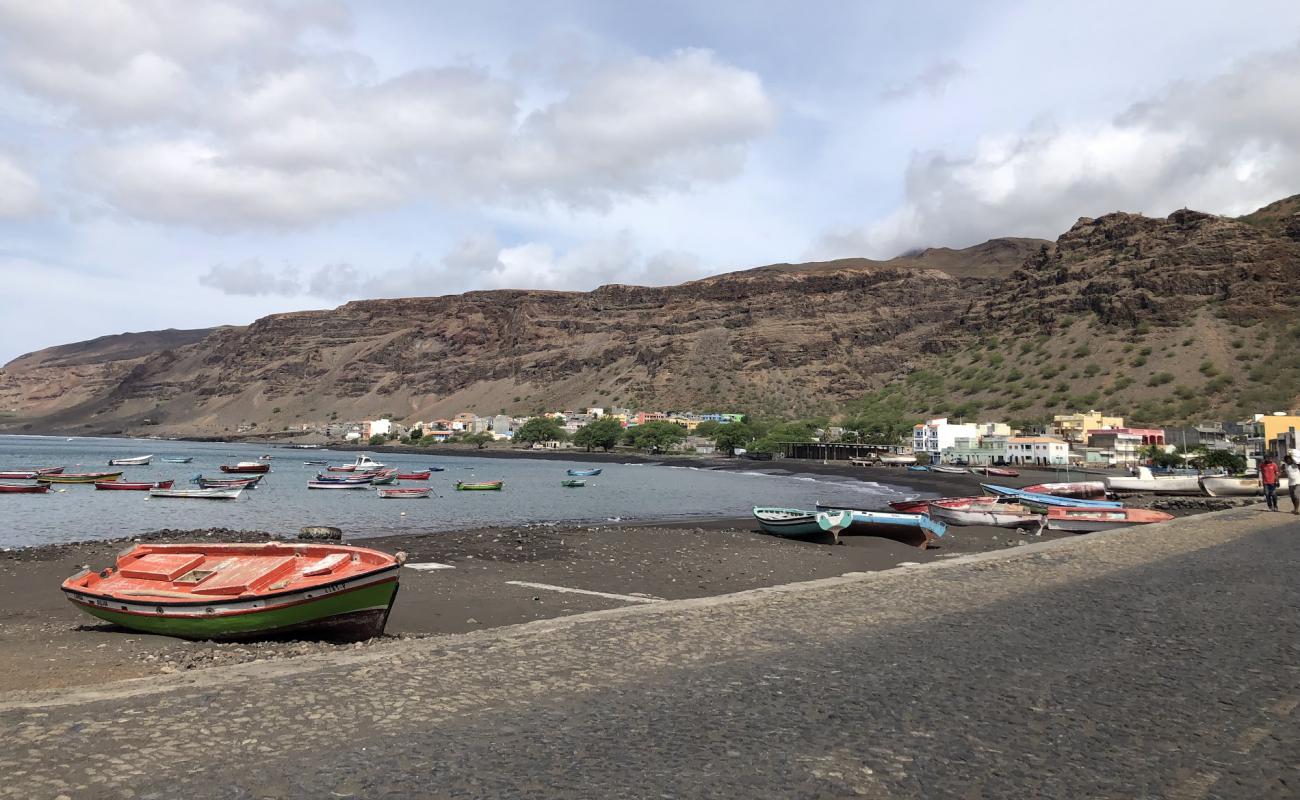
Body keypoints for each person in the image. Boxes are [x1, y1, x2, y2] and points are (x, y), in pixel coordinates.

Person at [1286, 450, 1300, 515]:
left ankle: (1297, 510)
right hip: (1290, 484)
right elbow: (1281, 473)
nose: (1288, 460)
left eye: (1289, 459)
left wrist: (1293, 456)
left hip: (1298, 483)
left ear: (1292, 459)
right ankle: (1295, 508)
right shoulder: (1285, 466)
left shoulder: (1296, 465)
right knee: (1292, 497)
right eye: (1286, 460)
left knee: (1296, 496)